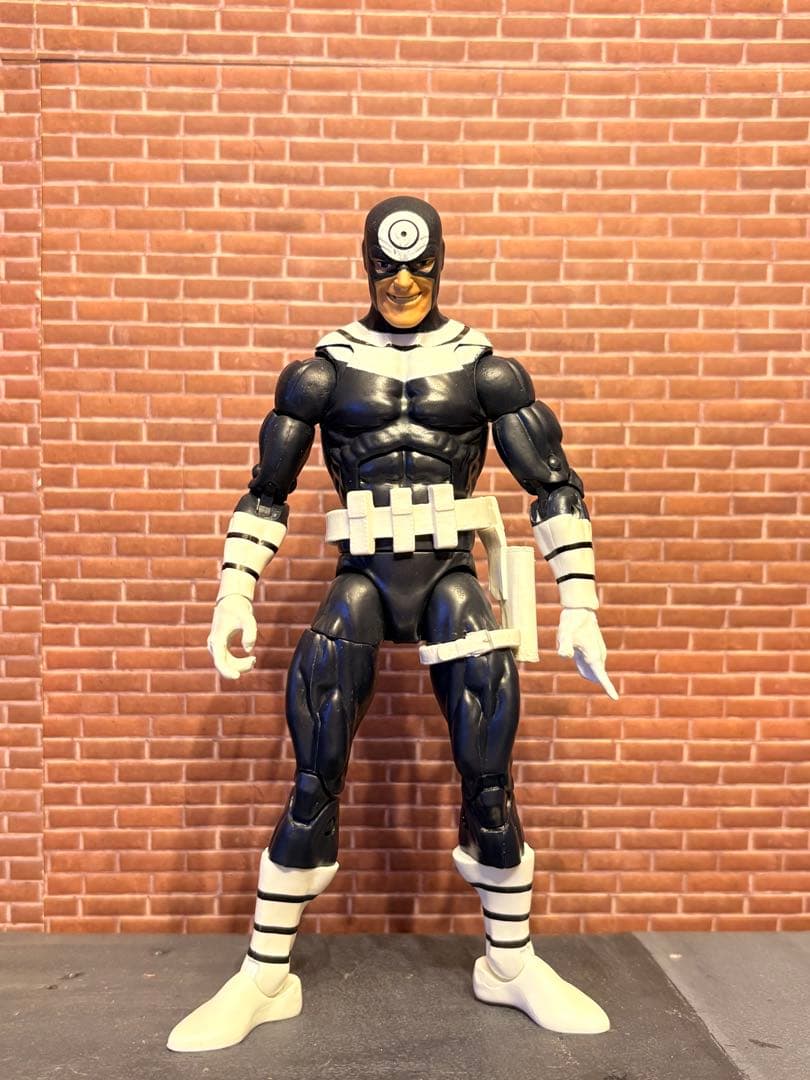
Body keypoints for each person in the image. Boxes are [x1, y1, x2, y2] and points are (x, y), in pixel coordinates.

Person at [167, 196, 617, 1053]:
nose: (403, 282)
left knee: (489, 777)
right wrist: (234, 592)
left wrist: (581, 604)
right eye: (387, 266)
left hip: (450, 577)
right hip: (364, 580)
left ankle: (510, 964)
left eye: (419, 266)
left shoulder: (485, 372)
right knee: (315, 773)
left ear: (440, 261)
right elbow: (267, 489)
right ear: (366, 265)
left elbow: (554, 484)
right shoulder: (323, 374)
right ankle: (265, 975)